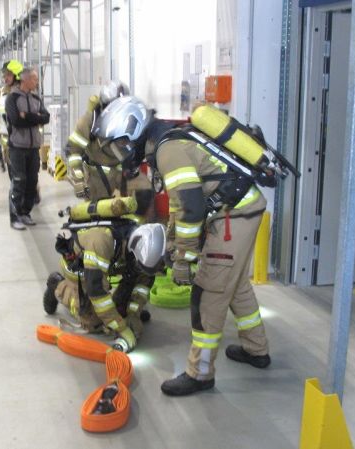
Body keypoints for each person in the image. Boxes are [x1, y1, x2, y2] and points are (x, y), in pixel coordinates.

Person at [92, 97, 272, 396]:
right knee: (235, 282)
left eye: (121, 146)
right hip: (242, 210)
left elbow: (191, 208)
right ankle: (257, 349)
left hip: (233, 218)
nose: (121, 154)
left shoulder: (168, 150)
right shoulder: (167, 141)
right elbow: (181, 203)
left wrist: (183, 259)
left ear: (134, 133)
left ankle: (200, 374)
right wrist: (175, 243)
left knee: (208, 294)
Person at [43, 196, 164, 353]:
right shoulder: (100, 242)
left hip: (109, 262)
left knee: (131, 290)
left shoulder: (140, 237)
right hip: (80, 268)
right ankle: (58, 286)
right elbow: (97, 292)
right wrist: (122, 329)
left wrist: (133, 313)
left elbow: (145, 279)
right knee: (93, 322)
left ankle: (121, 312)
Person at [65, 80, 143, 201]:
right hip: (98, 179)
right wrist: (78, 180)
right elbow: (73, 151)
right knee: (99, 211)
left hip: (124, 175)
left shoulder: (130, 121)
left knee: (140, 200)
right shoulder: (89, 122)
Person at [5, 67, 49, 230]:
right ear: (25, 80)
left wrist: (28, 116)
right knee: (19, 181)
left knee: (32, 181)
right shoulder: (12, 98)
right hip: (17, 147)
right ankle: (15, 216)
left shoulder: (36, 98)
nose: (37, 82)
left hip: (33, 147)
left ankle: (25, 213)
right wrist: (35, 118)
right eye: (34, 79)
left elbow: (46, 117)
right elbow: (16, 121)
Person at [0, 60, 23, 173]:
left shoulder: (25, 93)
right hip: (7, 144)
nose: (5, 78)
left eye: (8, 75)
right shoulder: (0, 93)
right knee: (13, 174)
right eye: (4, 75)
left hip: (24, 143)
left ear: (16, 75)